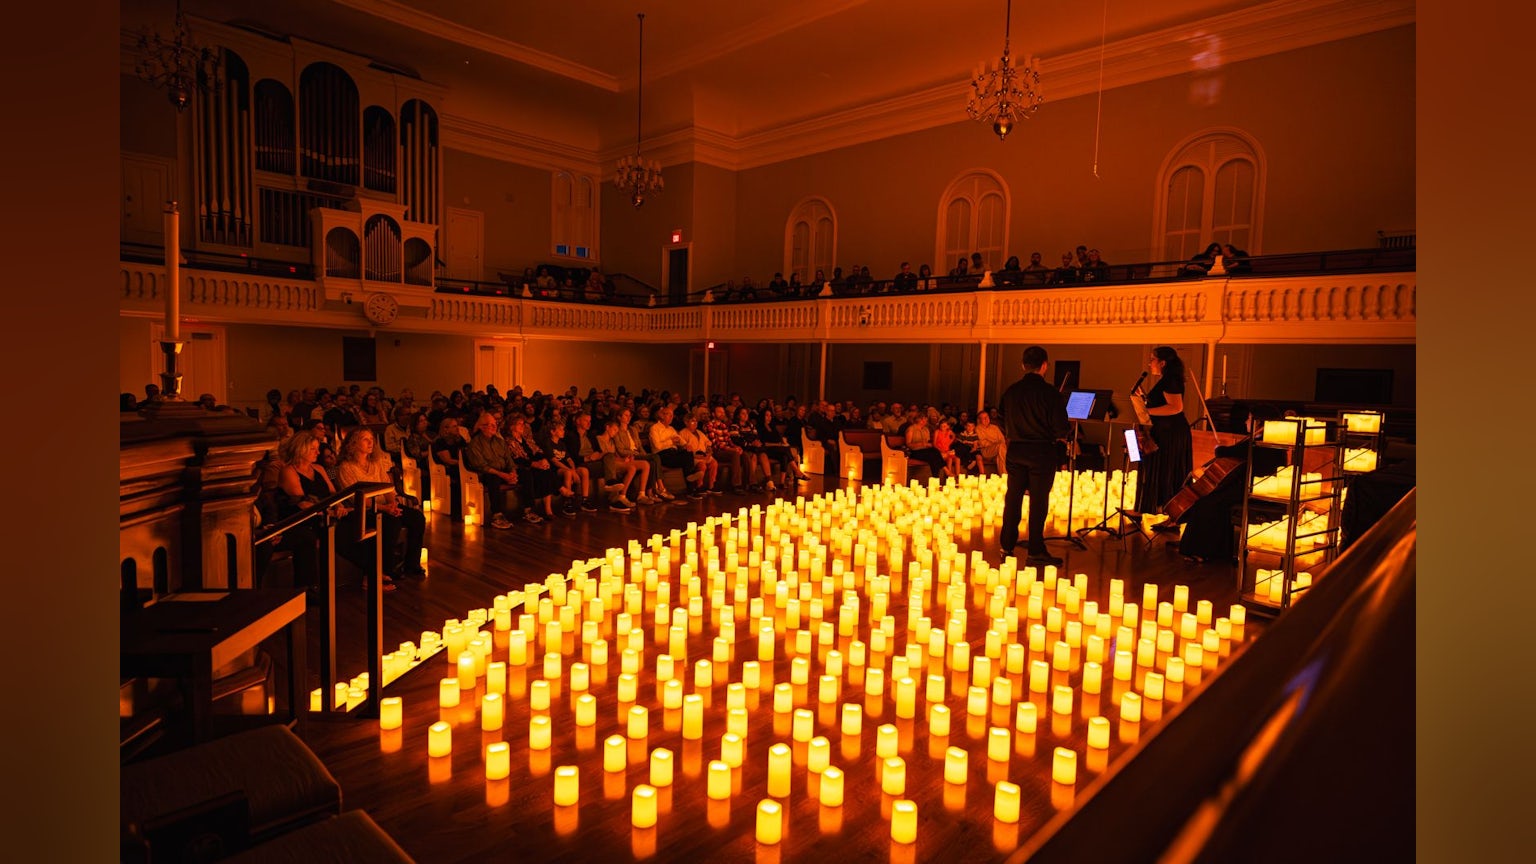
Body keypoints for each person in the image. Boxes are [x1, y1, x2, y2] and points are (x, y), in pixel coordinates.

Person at [1176, 403, 1287, 564]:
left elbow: (1229, 452)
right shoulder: (1260, 439)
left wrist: (1220, 449)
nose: (1245, 422)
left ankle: (1204, 551)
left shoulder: (1263, 442)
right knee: (1211, 500)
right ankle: (1212, 549)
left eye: (1249, 418)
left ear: (1259, 422)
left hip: (1254, 488)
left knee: (1208, 503)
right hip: (1245, 484)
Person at [997, 346, 1071, 566]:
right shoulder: (1051, 394)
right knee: (1038, 502)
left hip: (1016, 450)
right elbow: (1061, 428)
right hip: (1041, 452)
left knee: (1013, 499)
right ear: (1044, 365)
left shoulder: (1011, 391)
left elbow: (1001, 418)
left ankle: (1006, 546)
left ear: (1023, 365)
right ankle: (1036, 550)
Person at [338, 427, 426, 581]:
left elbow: (387, 487)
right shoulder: (346, 467)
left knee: (417, 517)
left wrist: (393, 504)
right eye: (365, 439)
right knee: (391, 523)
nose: (370, 442)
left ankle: (412, 563)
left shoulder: (375, 463)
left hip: (385, 506)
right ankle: (386, 568)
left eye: (371, 439)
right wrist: (385, 508)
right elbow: (357, 499)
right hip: (364, 509)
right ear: (353, 443)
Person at [1131, 346, 1195, 516]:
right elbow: (1161, 404)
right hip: (1165, 432)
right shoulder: (1166, 380)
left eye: (1152, 359)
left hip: (1171, 434)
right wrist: (1144, 398)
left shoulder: (1170, 380)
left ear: (1163, 363)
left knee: (1167, 471)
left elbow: (1176, 407)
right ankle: (1154, 510)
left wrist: (1146, 411)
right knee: (1160, 470)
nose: (1149, 363)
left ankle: (1169, 512)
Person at [463, 412, 521, 529]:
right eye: (491, 425)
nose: (494, 427)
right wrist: (502, 475)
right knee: (493, 478)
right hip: (487, 474)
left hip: (503, 472)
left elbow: (509, 460)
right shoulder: (475, 444)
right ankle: (497, 515)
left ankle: (528, 509)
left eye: (495, 424)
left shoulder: (500, 441)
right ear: (482, 427)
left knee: (526, 473)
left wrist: (512, 473)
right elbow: (481, 466)